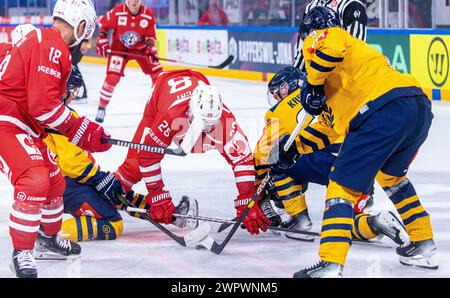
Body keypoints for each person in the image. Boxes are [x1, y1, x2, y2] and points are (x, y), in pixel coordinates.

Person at [283, 6, 436, 277]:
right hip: (415, 107)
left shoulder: (328, 36)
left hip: (382, 109)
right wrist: (295, 147)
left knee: (340, 186)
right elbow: (331, 131)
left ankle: (330, 264)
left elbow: (329, 46)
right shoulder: (346, 76)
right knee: (392, 178)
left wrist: (312, 83)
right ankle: (422, 242)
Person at [0, 0, 111, 278]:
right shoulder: (52, 46)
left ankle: (47, 238)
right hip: (6, 122)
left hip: (24, 125)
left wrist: (83, 131)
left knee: (54, 180)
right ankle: (22, 251)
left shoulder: (42, 41)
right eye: (87, 31)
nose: (86, 42)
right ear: (81, 25)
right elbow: (44, 107)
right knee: (35, 179)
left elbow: (41, 107)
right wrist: (83, 129)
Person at [91, 69, 270, 236]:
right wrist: (157, 193)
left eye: (211, 124)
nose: (206, 130)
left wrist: (247, 199)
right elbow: (147, 156)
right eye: (202, 124)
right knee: (134, 166)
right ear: (190, 111)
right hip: (162, 91)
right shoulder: (170, 115)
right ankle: (98, 197)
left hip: (196, 82)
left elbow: (242, 160)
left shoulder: (226, 121)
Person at [255, 66, 408, 245]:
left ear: (286, 87)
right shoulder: (331, 91)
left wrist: (259, 189)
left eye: (277, 92)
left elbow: (262, 154)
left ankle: (300, 220)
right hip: (361, 162)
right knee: (346, 225)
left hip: (320, 159)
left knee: (278, 159)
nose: (276, 97)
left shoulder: (276, 112)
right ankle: (376, 222)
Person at [95, 0, 162, 123]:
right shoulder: (117, 11)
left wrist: (150, 47)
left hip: (141, 50)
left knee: (158, 76)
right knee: (112, 78)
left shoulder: (148, 14)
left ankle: (157, 107)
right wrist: (101, 38)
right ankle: (102, 107)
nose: (133, 2)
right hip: (119, 49)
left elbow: (151, 37)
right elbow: (103, 24)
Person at [292, 0, 368, 71]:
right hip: (315, 74)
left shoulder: (352, 5)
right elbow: (303, 47)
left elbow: (355, 49)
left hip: (342, 77)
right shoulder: (312, 4)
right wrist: (296, 72)